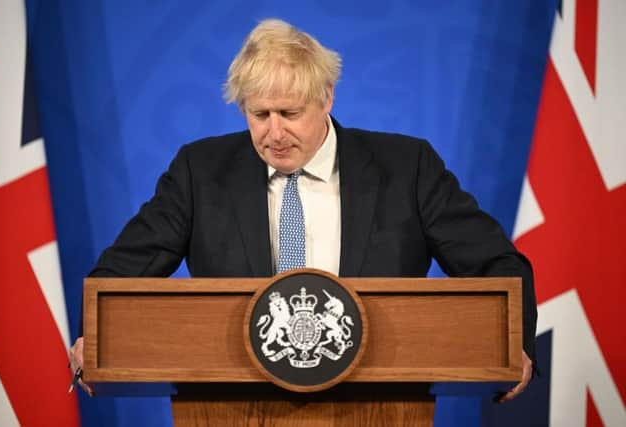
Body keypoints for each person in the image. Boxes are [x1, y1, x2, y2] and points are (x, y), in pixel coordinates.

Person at [68, 18, 536, 402]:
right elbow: (121, 273)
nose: (273, 133)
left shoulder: (406, 168)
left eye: (289, 114)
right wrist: (96, 334)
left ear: (326, 98)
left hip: (380, 409)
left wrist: (514, 341)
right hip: (232, 409)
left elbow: (499, 266)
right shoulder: (200, 171)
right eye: (259, 114)